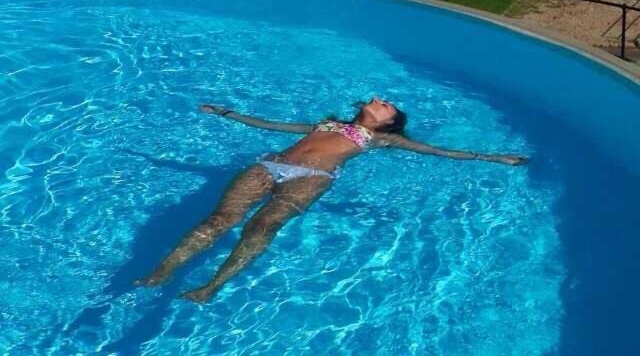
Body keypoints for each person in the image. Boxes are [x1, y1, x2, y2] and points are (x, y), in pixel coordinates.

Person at [136, 98, 528, 303]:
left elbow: (439, 152)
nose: (378, 99)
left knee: (262, 226)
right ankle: (163, 271)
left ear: (389, 122)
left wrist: (494, 158)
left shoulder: (382, 139)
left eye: (386, 105)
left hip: (311, 179)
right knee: (218, 221)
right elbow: (271, 124)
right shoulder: (327, 123)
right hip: (270, 166)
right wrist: (227, 113)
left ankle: (211, 287)